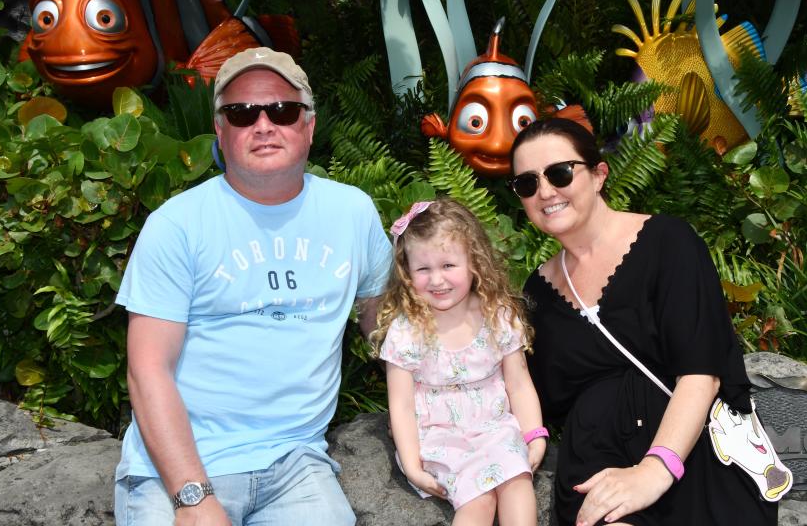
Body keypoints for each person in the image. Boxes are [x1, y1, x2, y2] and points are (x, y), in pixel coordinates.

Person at [113, 47, 393, 525]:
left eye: (282, 110)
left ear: (308, 125)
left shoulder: (353, 213)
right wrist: (193, 498)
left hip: (296, 462)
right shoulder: (177, 224)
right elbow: (147, 370)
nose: (263, 124)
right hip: (179, 465)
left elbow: (382, 321)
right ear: (220, 133)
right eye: (242, 114)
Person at [508, 118, 778, 526]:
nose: (545, 191)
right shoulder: (537, 293)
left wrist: (655, 469)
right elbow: (525, 390)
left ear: (599, 174)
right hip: (595, 468)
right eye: (527, 183)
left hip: (689, 455)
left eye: (559, 173)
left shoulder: (668, 243)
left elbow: (701, 373)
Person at [369, 198, 546, 526]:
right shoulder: (406, 330)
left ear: (474, 262)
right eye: (423, 269)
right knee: (477, 498)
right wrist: (412, 466)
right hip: (440, 437)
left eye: (448, 265)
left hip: (494, 428)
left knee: (516, 480)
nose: (437, 280)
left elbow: (519, 383)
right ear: (407, 273)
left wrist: (535, 435)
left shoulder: (498, 315)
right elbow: (402, 406)